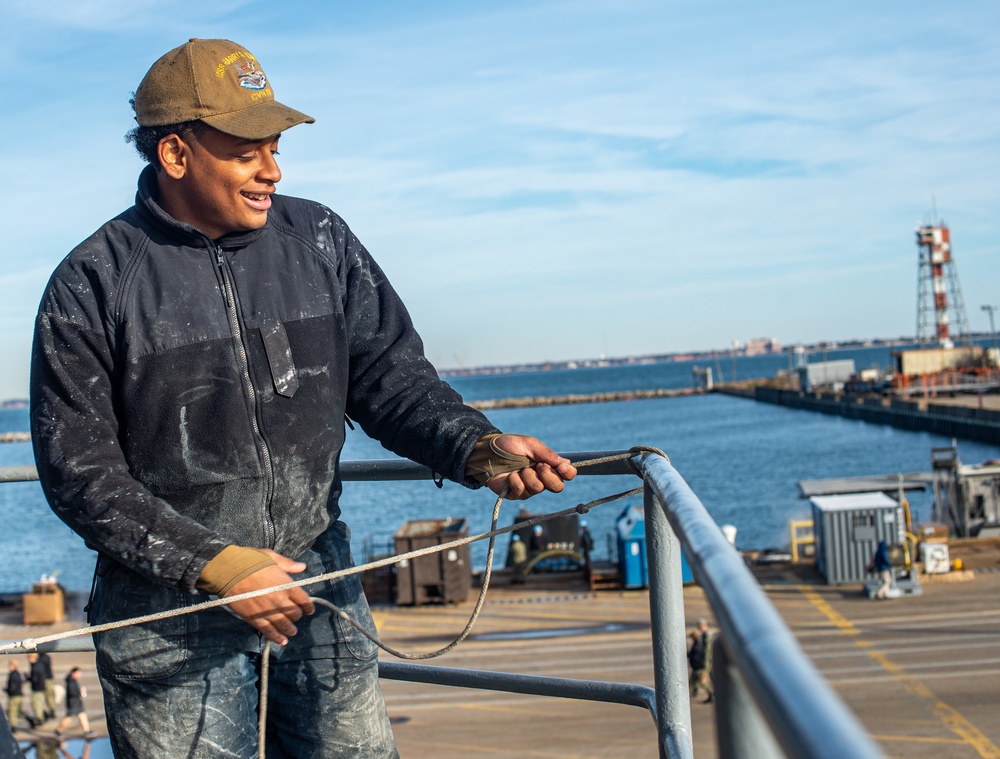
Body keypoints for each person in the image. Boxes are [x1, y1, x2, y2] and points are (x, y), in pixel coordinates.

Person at [29, 38, 576, 758]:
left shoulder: (319, 237)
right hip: (167, 618)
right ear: (175, 154)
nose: (273, 170)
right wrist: (219, 565)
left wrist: (474, 446)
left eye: (276, 147)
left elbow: (392, 376)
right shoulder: (91, 284)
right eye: (248, 150)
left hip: (317, 584)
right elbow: (81, 471)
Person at [54, 668, 93, 741]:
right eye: (78, 674)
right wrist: (80, 692)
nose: (79, 675)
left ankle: (87, 731)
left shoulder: (73, 681)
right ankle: (58, 731)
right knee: (69, 718)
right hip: (73, 703)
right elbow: (72, 693)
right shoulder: (71, 683)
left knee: (82, 716)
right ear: (73, 673)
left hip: (77, 703)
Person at [687, 619, 714, 704]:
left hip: (703, 664)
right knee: (694, 681)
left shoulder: (706, 636)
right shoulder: (702, 637)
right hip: (701, 664)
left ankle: (710, 694)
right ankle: (695, 691)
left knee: (703, 681)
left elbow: (706, 653)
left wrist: (706, 666)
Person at [5, 660, 31, 731]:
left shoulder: (13, 675)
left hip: (14, 696)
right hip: (19, 695)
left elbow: (13, 687)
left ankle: (13, 727)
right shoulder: (18, 674)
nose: (9, 667)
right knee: (18, 711)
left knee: (12, 711)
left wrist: (7, 690)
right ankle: (30, 719)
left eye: (11, 665)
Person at [26, 653, 47, 726]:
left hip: (37, 688)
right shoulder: (40, 665)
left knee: (36, 703)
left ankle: (39, 718)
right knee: (40, 702)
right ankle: (43, 715)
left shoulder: (35, 667)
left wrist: (28, 678)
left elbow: (35, 679)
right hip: (41, 687)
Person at [39, 651, 56, 721]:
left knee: (48, 695)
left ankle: (50, 711)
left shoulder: (42, 659)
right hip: (49, 678)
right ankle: (51, 710)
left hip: (46, 679)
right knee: (49, 696)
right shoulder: (46, 657)